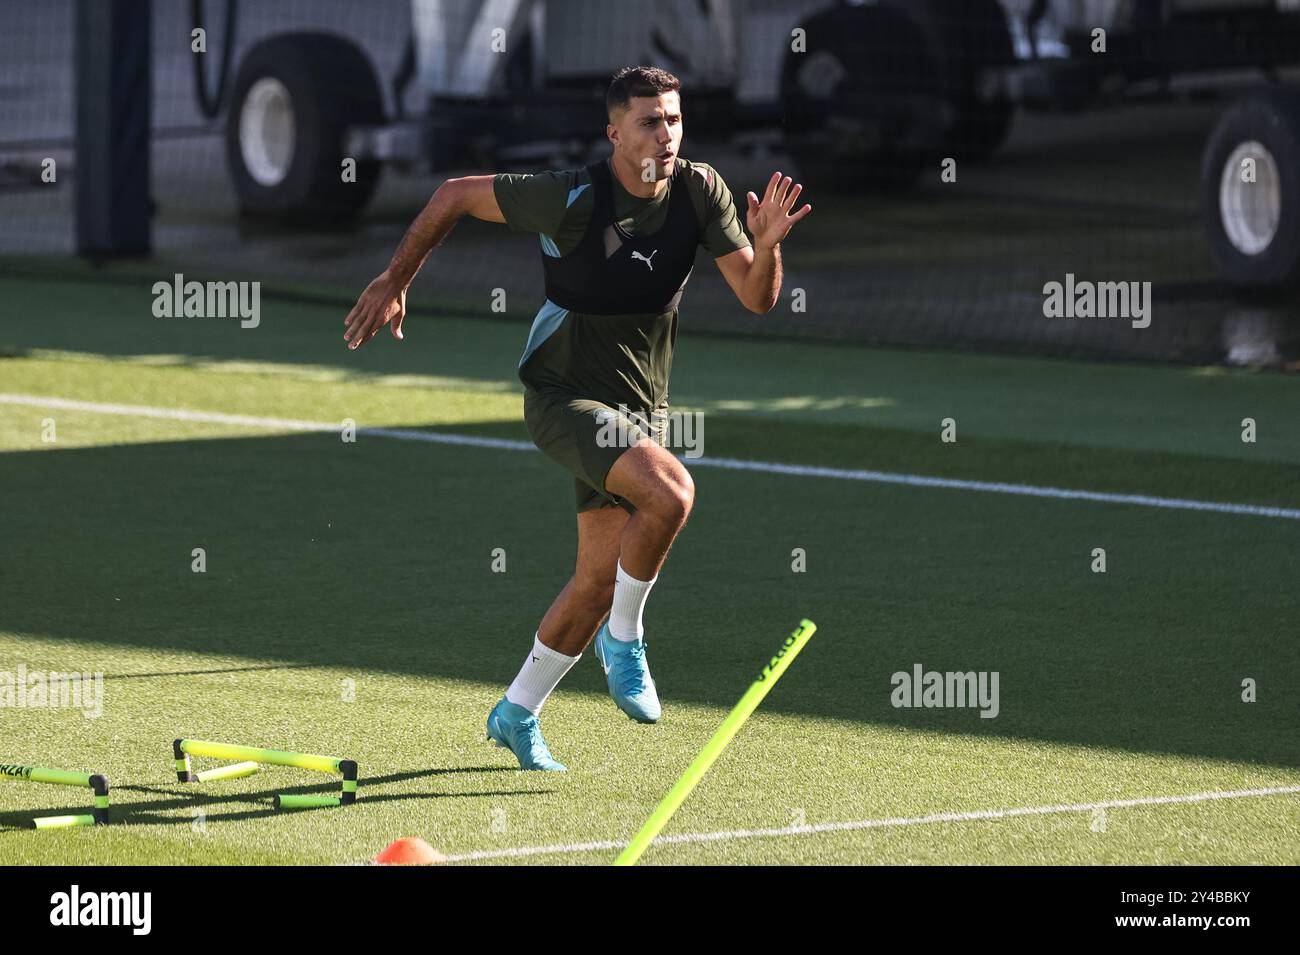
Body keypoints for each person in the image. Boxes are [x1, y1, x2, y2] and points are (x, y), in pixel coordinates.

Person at [343, 65, 811, 770]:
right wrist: (395, 279)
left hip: (636, 411)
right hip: (562, 396)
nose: (666, 134)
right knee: (672, 493)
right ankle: (625, 639)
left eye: (675, 119)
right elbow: (454, 194)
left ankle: (517, 710)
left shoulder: (699, 189)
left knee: (597, 577)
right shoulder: (572, 196)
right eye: (650, 121)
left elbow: (755, 295)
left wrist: (768, 245)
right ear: (614, 131)